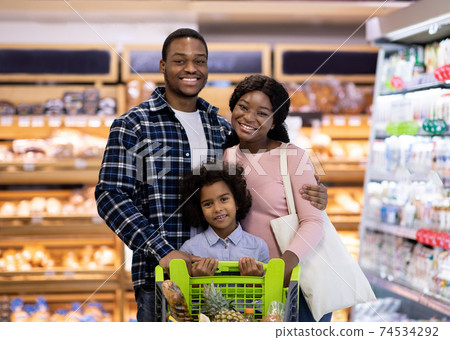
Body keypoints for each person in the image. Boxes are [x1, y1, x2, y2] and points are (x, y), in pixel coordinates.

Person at [95, 28, 327, 322]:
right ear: (163, 66)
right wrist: (164, 251)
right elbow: (109, 196)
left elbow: (251, 184)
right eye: (180, 61)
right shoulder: (134, 126)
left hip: (230, 282)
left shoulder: (219, 128)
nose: (191, 68)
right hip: (167, 281)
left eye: (199, 61)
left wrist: (315, 195)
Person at [223, 74, 332, 322]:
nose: (249, 118)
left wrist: (284, 266)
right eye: (243, 107)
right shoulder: (228, 157)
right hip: (248, 284)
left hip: (296, 281)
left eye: (262, 113)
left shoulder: (294, 157)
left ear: (274, 122)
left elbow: (314, 222)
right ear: (233, 108)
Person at [179, 164, 269, 277]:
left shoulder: (258, 246)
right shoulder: (189, 249)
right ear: (199, 210)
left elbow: (267, 292)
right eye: (208, 204)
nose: (217, 209)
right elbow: (180, 292)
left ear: (237, 202)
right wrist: (197, 282)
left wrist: (254, 282)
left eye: (224, 199)